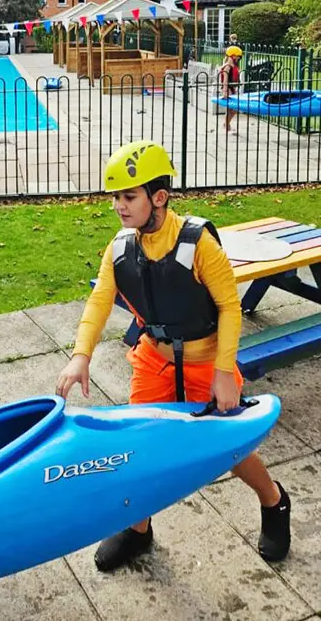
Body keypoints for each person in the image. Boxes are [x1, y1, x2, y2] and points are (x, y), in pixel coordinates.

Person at [55, 140, 291, 573]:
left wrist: (223, 372)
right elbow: (99, 303)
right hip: (155, 360)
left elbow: (229, 306)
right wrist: (80, 354)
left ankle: (274, 503)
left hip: (207, 361)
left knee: (230, 449)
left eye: (129, 197)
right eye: (115, 197)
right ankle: (138, 530)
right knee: (139, 446)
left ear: (158, 197)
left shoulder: (198, 244)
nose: (119, 207)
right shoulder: (121, 248)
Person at [219, 45, 243, 133]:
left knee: (232, 109)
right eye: (238, 57)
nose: (239, 59)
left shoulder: (234, 66)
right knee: (232, 109)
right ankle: (226, 126)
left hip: (232, 88)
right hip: (228, 88)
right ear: (233, 56)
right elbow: (225, 81)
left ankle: (227, 125)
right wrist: (225, 91)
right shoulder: (227, 66)